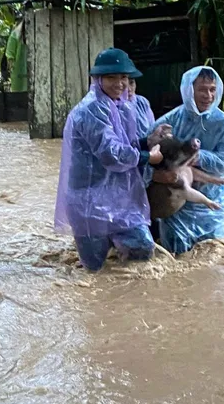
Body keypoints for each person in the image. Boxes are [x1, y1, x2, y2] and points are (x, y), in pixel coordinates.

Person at [54, 48, 165, 271]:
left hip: (119, 200)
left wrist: (146, 141)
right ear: (98, 79)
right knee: (94, 269)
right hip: (89, 202)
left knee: (142, 248)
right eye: (111, 77)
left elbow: (124, 144)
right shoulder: (91, 110)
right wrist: (148, 158)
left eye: (123, 77)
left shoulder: (118, 106)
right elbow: (111, 154)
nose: (120, 83)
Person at [152, 66, 224, 255]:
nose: (208, 95)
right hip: (176, 202)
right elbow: (147, 150)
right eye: (202, 89)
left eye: (212, 89)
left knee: (213, 260)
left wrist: (200, 157)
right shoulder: (171, 120)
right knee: (174, 258)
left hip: (212, 202)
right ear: (188, 90)